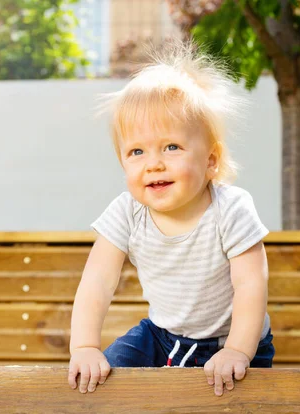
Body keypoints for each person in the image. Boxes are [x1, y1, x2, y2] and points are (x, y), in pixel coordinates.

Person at [67, 40, 274, 397]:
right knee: (103, 383)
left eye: (171, 147)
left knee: (235, 397)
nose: (154, 163)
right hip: (161, 337)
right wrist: (84, 346)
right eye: (136, 151)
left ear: (211, 161)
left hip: (231, 340)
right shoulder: (127, 212)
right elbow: (97, 281)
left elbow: (251, 285)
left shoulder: (231, 209)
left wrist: (238, 349)